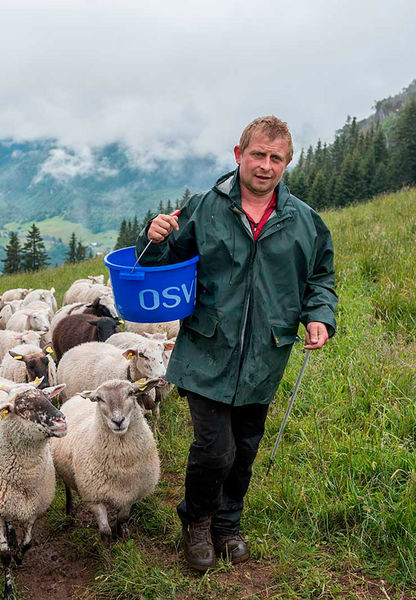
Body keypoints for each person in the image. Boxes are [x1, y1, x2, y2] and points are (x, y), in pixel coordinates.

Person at [135, 116, 337, 571]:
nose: (265, 166)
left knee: (245, 447)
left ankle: (229, 523)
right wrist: (155, 238)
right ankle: (198, 522)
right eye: (257, 155)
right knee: (214, 448)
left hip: (265, 355)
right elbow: (159, 264)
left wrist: (319, 316)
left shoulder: (305, 222)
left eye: (275, 158)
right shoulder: (204, 208)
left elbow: (320, 278)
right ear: (238, 155)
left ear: (287, 163)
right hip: (207, 349)